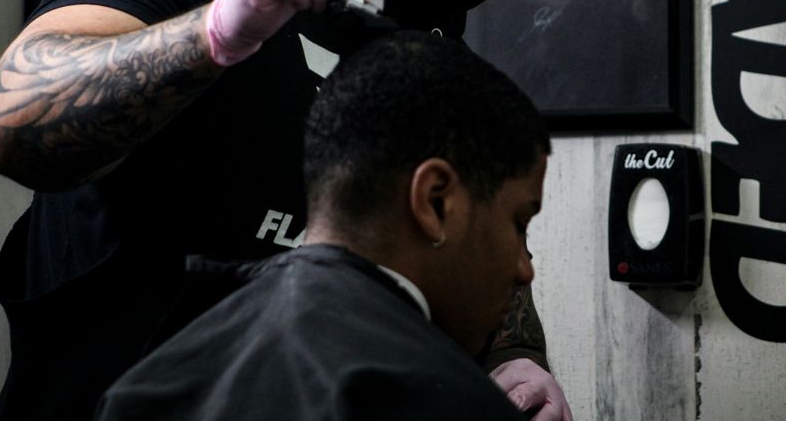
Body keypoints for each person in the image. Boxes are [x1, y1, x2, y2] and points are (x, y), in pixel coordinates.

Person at [0, 0, 588, 420]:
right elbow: (12, 128)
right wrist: (214, 32)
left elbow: (483, 242)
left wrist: (513, 357)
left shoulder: (440, 82)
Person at [97, 32, 560, 420]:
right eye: (519, 223)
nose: (524, 269)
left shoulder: (149, 384)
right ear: (434, 201)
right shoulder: (444, 404)